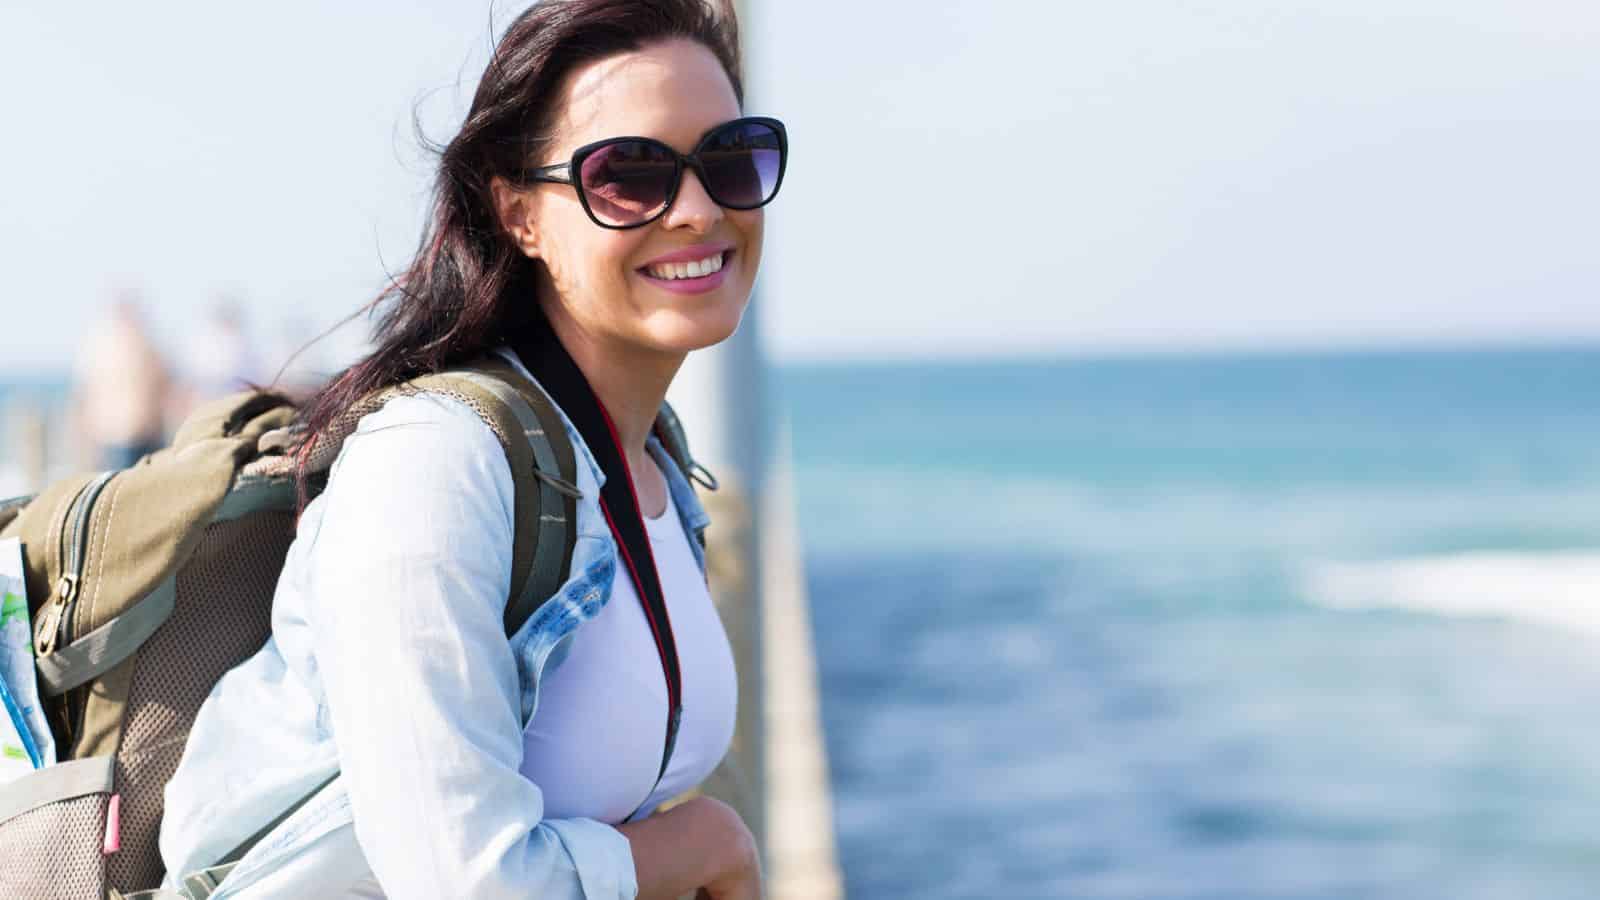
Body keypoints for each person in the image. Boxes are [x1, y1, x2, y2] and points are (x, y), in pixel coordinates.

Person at [157, 1, 785, 897]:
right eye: (629, 174)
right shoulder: (435, 464)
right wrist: (710, 846)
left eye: (731, 159)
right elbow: (469, 881)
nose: (695, 209)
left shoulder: (649, 466)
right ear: (518, 211)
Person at [70, 293, 173, 470]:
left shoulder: (148, 347)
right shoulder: (101, 349)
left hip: (145, 435)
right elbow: (85, 397)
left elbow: (165, 390)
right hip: (114, 437)